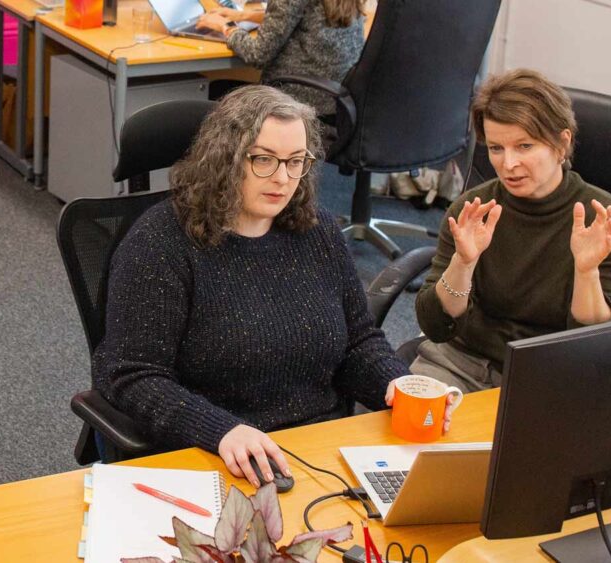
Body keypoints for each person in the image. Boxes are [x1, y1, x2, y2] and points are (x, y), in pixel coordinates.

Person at [92, 86, 449, 488]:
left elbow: (358, 341)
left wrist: (394, 385)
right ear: (225, 158)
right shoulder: (161, 243)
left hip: (315, 450)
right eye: (264, 160)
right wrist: (221, 430)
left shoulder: (318, 232)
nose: (282, 178)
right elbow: (131, 375)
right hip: (213, 454)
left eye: (296, 161)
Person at [413, 69, 611, 392]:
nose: (508, 164)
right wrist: (462, 263)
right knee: (404, 434)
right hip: (458, 364)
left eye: (525, 146)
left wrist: (586, 272)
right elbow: (436, 327)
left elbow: (598, 351)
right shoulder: (472, 211)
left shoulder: (602, 220)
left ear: (562, 144)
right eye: (496, 148)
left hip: (548, 378)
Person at [196, 0, 365, 117]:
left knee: (216, 90)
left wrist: (225, 27)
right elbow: (303, 15)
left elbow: (257, 54)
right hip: (335, 99)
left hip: (293, 98)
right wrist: (241, 16)